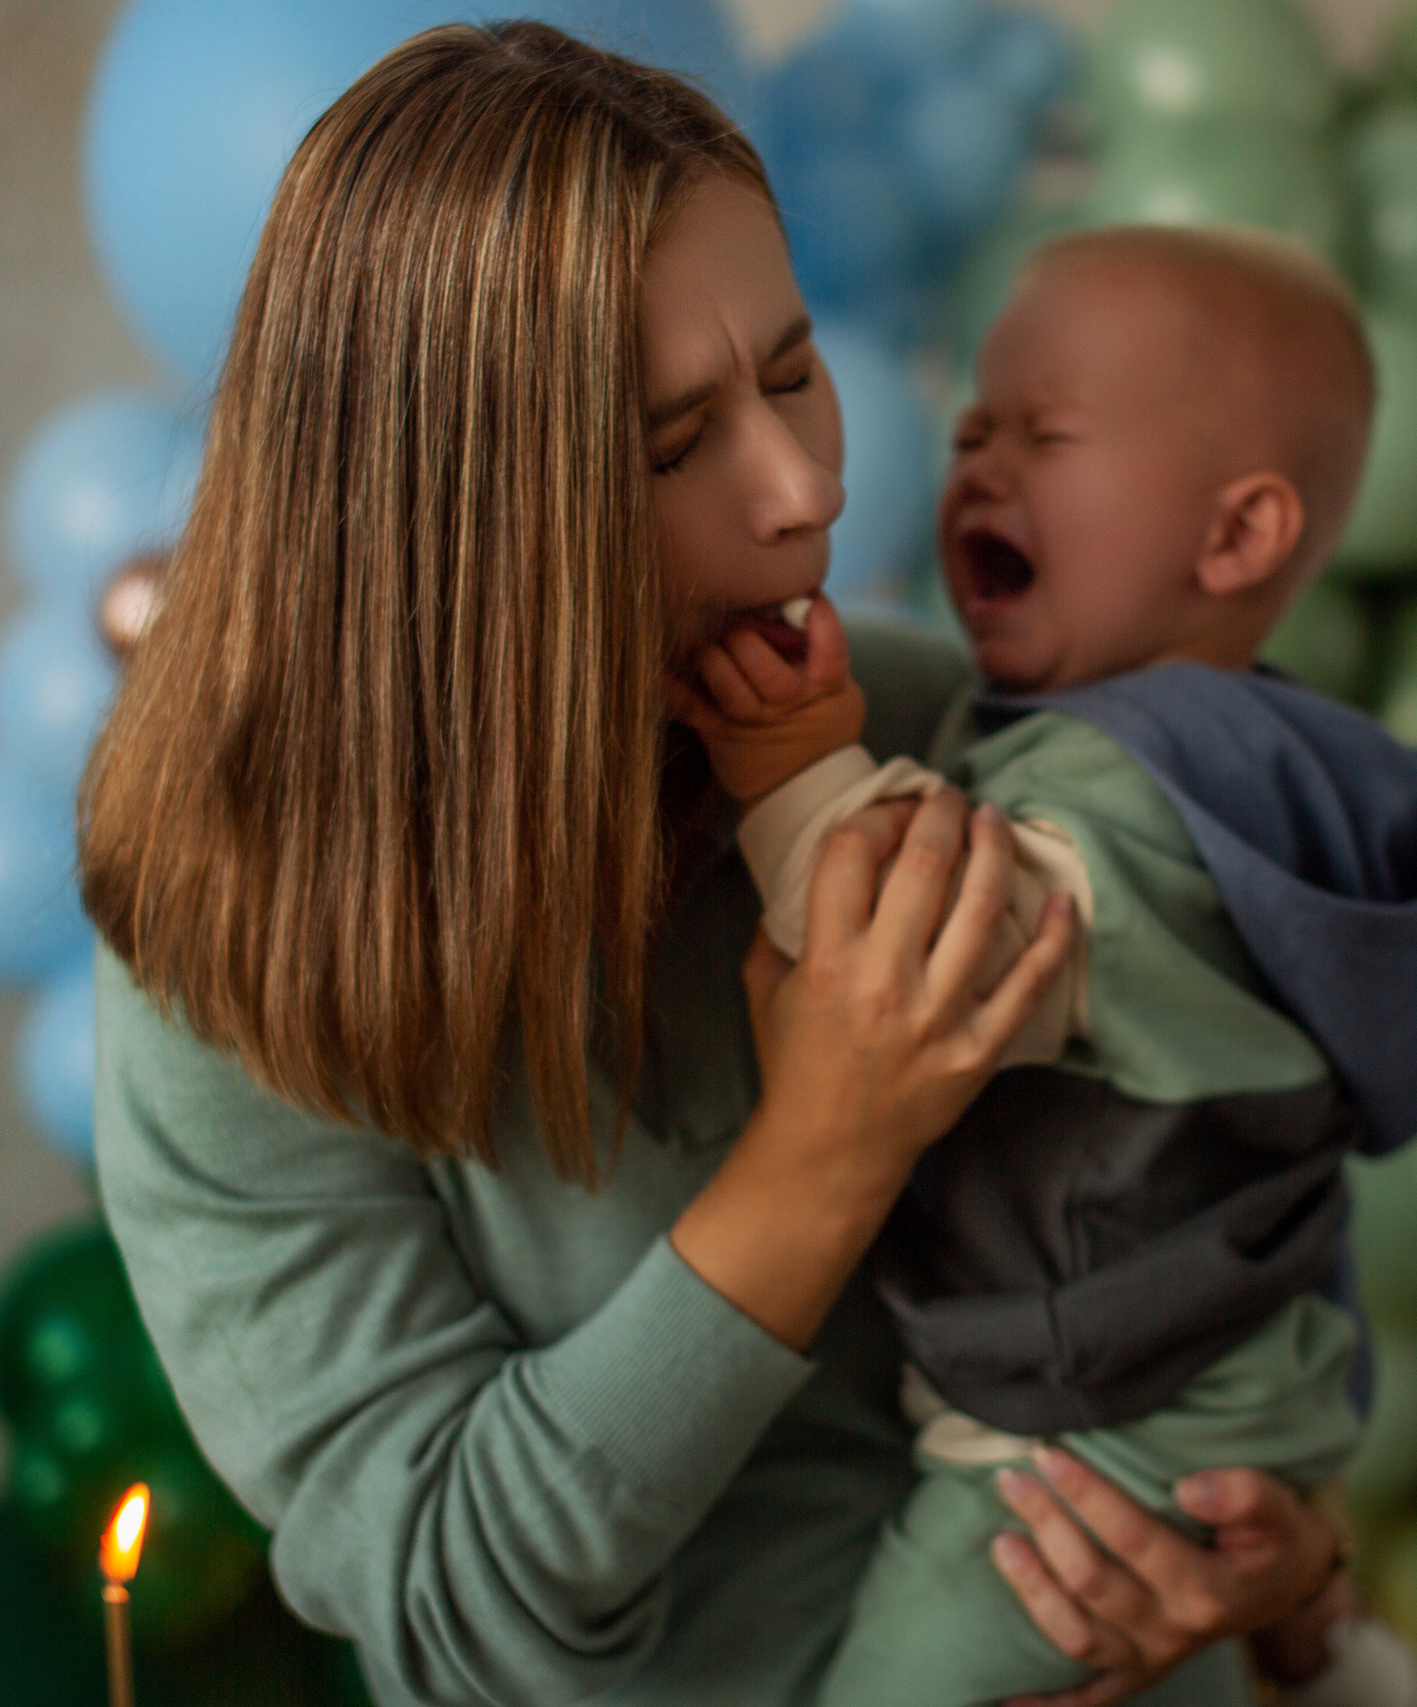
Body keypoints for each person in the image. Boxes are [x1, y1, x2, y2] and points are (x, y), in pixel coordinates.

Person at [79, 23, 1352, 1707]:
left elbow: (1241, 1193)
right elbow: (457, 1617)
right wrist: (829, 1144)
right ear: (465, 521)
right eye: (676, 444)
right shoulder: (222, 961)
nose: (809, 487)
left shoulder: (924, 725)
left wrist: (1291, 1574)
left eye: (792, 369)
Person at [669, 227, 1417, 1707]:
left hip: (1098, 1461)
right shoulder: (1264, 764)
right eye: (976, 425)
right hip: (1197, 1391)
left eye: (1048, 435)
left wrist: (789, 763)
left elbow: (921, 959)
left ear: (1235, 539)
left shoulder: (1138, 801)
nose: (981, 464)